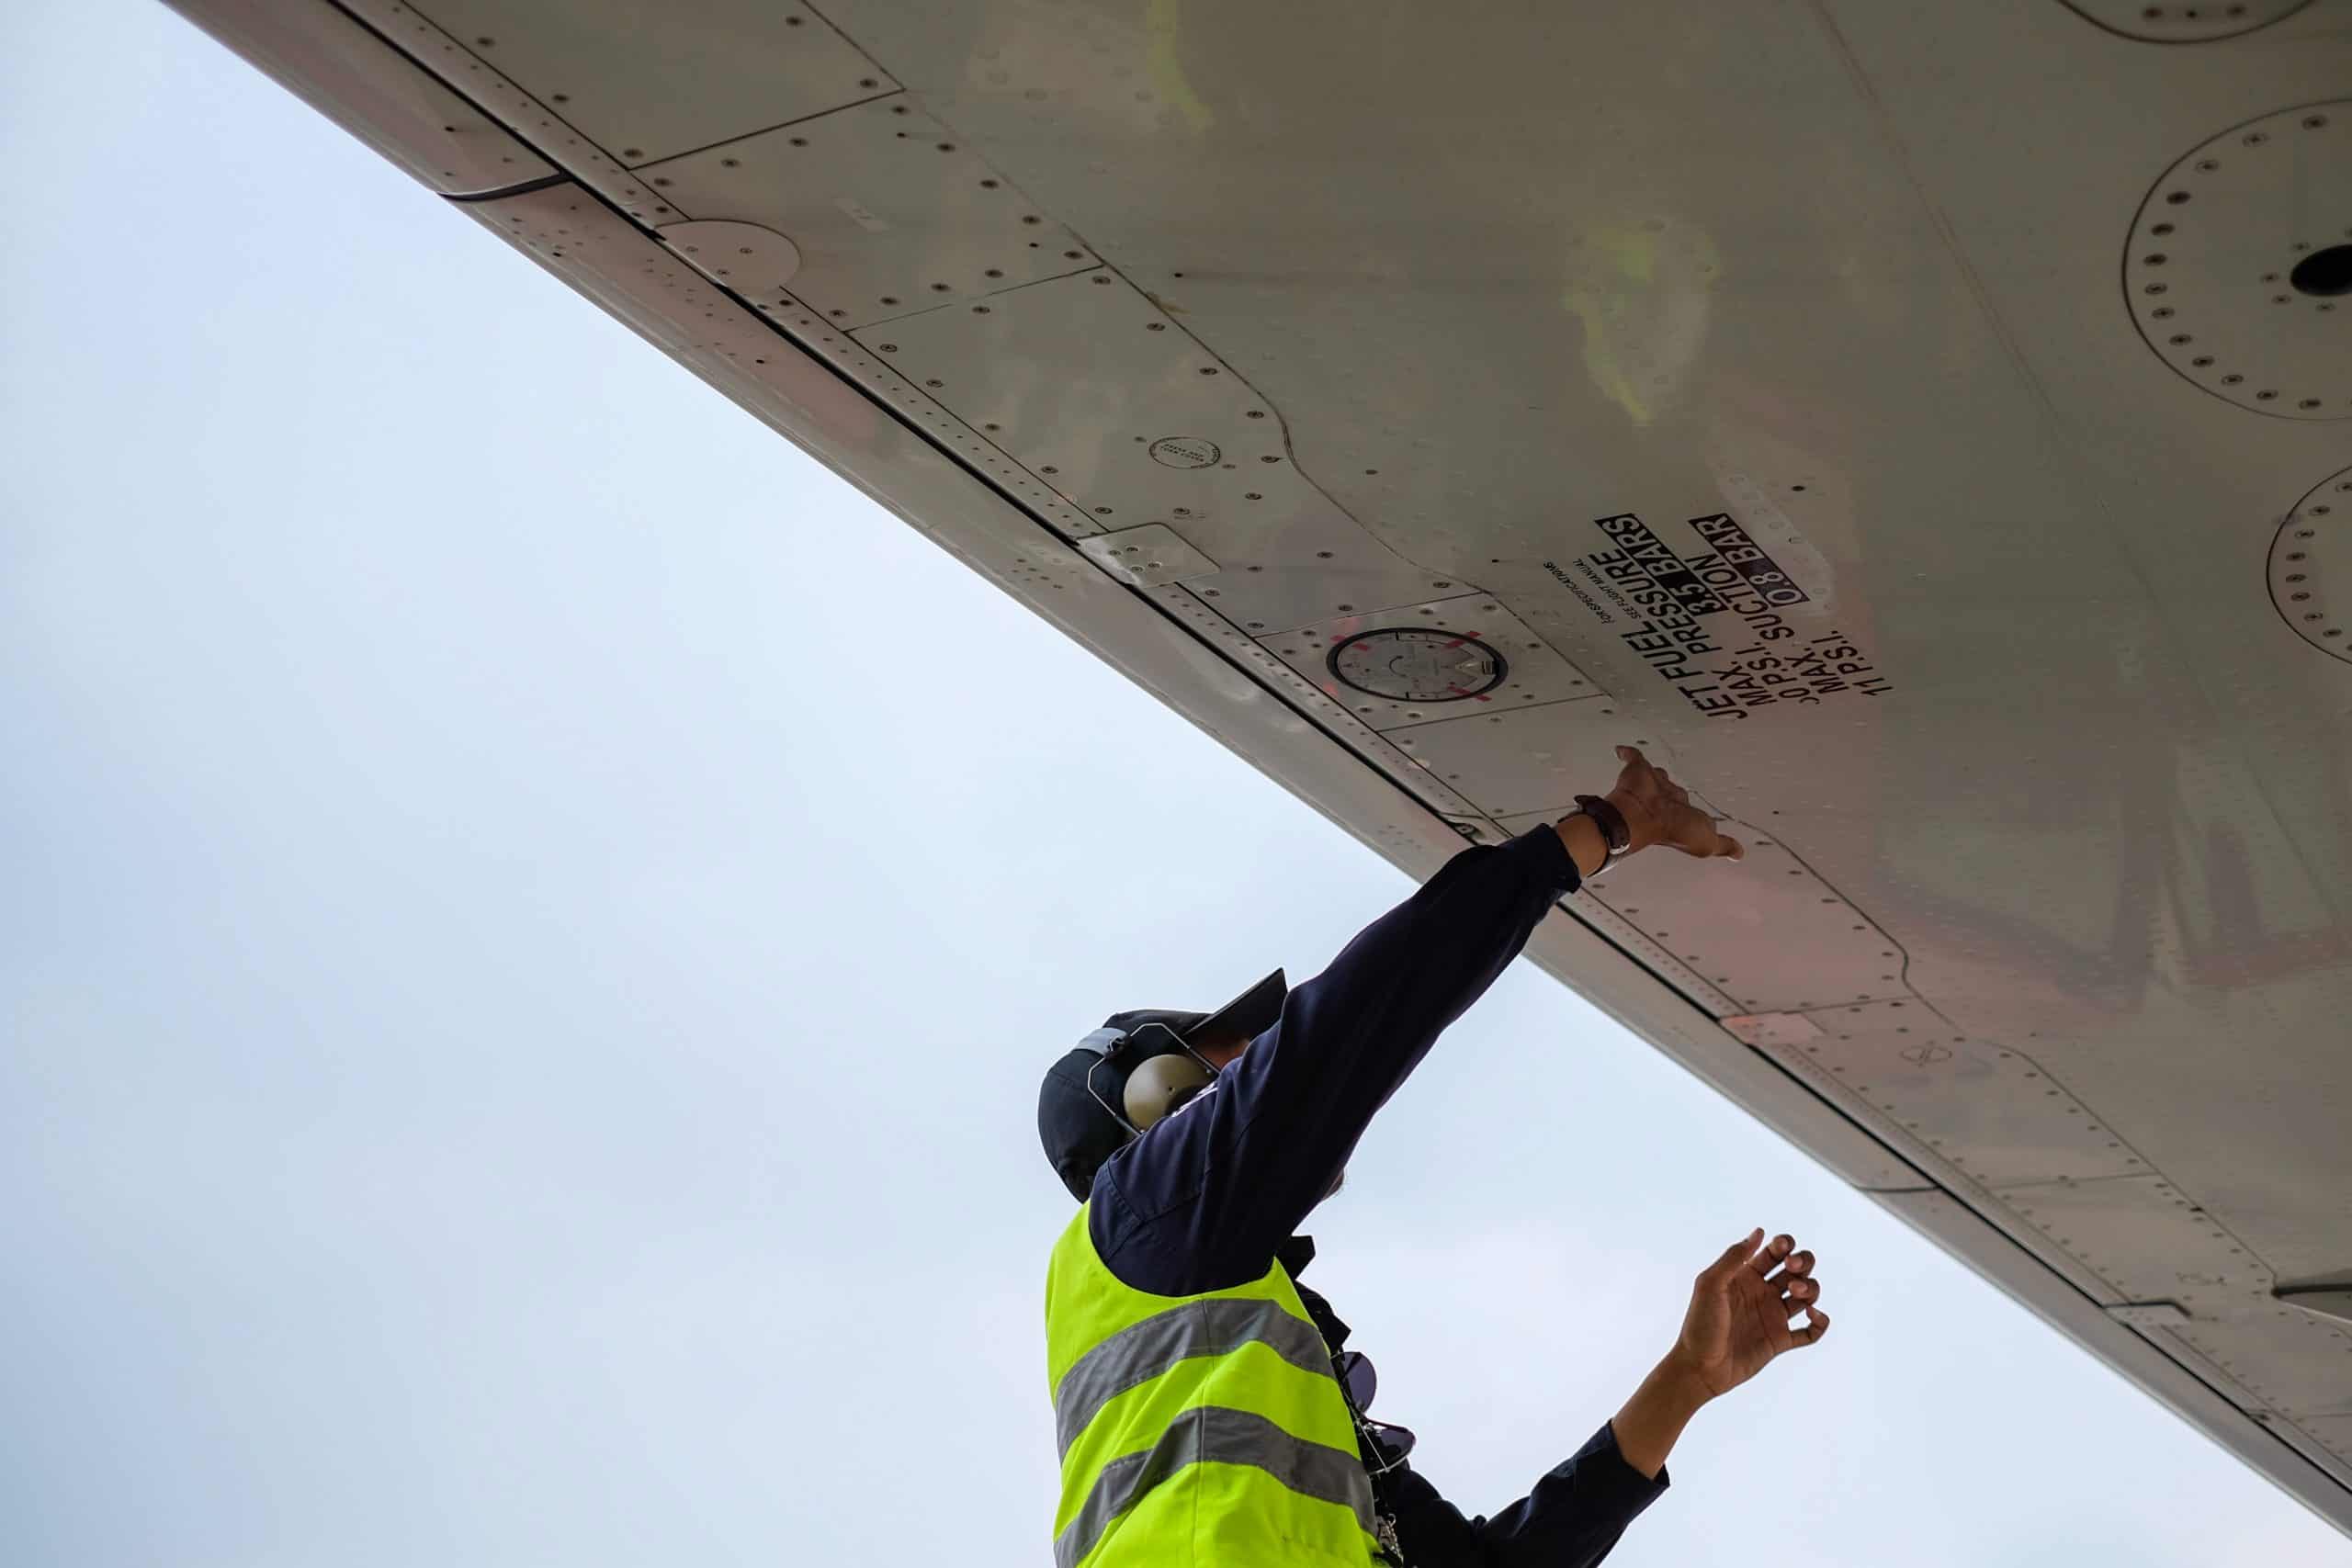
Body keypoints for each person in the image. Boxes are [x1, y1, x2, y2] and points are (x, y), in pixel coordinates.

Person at [1035, 745, 1831, 1567]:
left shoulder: (1241, 1350)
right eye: (1237, 1054)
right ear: (1156, 1099)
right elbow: (1362, 1013)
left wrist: (1685, 1380)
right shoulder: (1142, 1212)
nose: (1260, 1061)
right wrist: (1605, 829)